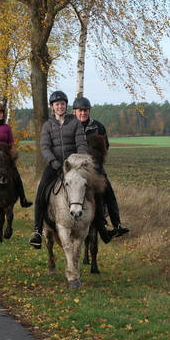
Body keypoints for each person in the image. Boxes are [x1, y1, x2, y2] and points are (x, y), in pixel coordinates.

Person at [29, 90, 108, 249]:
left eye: (62, 104)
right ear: (52, 107)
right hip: (55, 165)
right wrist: (52, 161)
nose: (60, 107)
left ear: (66, 106)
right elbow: (45, 146)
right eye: (57, 104)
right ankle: (37, 231)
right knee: (41, 192)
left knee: (93, 190)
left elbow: (81, 143)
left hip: (73, 165)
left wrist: (79, 161)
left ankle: (99, 224)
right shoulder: (47, 125)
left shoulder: (75, 123)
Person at [73, 96, 130, 240]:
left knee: (108, 191)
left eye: (85, 110)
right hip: (76, 169)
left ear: (89, 111)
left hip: (96, 169)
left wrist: (97, 162)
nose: (83, 113)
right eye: (80, 110)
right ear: (74, 112)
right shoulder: (70, 127)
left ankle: (116, 224)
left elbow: (106, 147)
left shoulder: (98, 126)